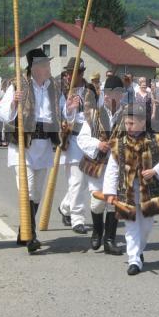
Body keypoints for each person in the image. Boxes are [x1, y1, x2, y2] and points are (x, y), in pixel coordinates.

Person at [0, 48, 61, 253]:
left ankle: (23, 230)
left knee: (37, 193)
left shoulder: (53, 87)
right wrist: (15, 102)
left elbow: (63, 113)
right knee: (28, 189)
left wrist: (69, 108)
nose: (48, 67)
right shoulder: (17, 84)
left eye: (48, 64)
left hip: (44, 145)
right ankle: (31, 236)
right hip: (24, 145)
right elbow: (3, 115)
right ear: (34, 68)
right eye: (45, 64)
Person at [103, 104, 159, 275]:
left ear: (142, 122)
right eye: (126, 123)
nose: (128, 127)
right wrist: (110, 192)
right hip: (126, 191)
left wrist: (155, 170)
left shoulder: (156, 141)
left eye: (132, 123)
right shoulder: (118, 144)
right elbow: (112, 168)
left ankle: (139, 251)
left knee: (146, 226)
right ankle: (134, 259)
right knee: (131, 225)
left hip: (149, 191)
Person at [77, 75, 125, 255]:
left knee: (114, 202)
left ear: (120, 95)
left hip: (117, 166)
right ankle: (98, 230)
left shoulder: (127, 114)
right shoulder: (93, 115)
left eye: (115, 93)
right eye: (107, 93)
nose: (109, 97)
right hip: (97, 164)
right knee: (98, 203)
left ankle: (110, 240)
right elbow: (82, 139)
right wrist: (98, 144)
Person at [58, 57, 96, 235]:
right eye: (69, 72)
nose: (71, 76)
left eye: (77, 72)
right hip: (71, 139)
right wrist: (69, 108)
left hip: (89, 140)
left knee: (84, 182)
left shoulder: (91, 90)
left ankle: (65, 207)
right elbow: (60, 115)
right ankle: (77, 219)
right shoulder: (61, 91)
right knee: (76, 180)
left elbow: (100, 112)